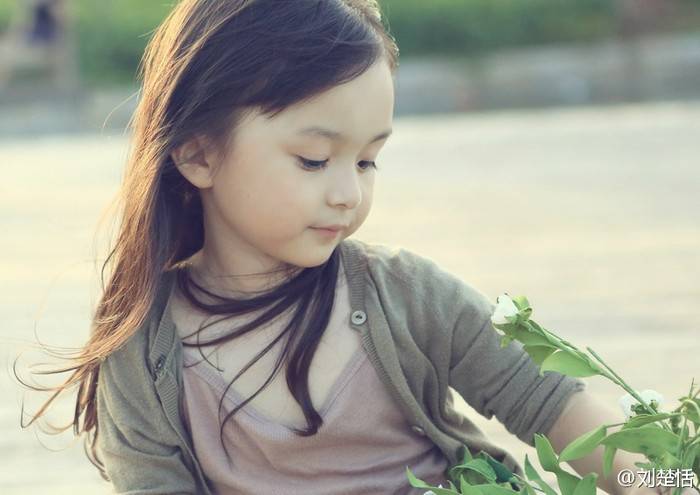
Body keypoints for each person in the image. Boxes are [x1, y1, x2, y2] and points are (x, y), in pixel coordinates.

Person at [17, 1, 692, 494]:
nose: (348, 193)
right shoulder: (142, 354)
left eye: (368, 161)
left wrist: (673, 480)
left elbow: (568, 416)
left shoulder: (408, 296)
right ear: (197, 151)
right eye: (314, 160)